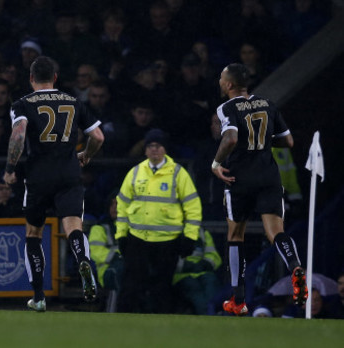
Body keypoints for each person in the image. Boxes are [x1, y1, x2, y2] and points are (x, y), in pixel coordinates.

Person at [3, 56, 105, 312]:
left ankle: (38, 296)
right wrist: (87, 155)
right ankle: (83, 259)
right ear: (55, 78)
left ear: (31, 78)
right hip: (69, 173)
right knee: (73, 226)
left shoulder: (22, 104)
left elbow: (18, 134)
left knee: (34, 233)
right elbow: (98, 136)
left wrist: (9, 168)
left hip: (38, 175)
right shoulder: (74, 102)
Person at [211, 63, 308, 316]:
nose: (220, 82)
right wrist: (263, 142)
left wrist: (216, 163)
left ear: (230, 85)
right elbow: (287, 141)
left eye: (222, 79)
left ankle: (238, 299)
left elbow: (230, 138)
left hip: (238, 178)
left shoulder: (227, 108)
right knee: (276, 231)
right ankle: (295, 266)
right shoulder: (267, 103)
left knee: (235, 235)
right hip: (269, 176)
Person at [115, 128, 201, 314]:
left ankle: (161, 323)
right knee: (132, 285)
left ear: (165, 149)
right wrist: (121, 234)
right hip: (138, 238)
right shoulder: (135, 172)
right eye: (151, 146)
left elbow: (193, 207)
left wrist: (190, 237)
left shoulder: (178, 174)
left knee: (162, 286)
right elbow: (122, 205)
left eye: (158, 145)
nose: (154, 149)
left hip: (167, 240)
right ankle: (125, 321)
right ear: (145, 150)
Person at [172, 227, 222, 315]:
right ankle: (208, 316)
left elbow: (214, 256)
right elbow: (168, 258)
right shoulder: (172, 230)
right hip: (182, 275)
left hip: (203, 272)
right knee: (193, 287)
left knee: (211, 284)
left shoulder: (202, 232)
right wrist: (185, 265)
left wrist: (205, 264)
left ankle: (210, 314)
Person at [89, 190, 123, 313]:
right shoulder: (99, 228)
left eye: (118, 204)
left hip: (128, 267)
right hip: (107, 271)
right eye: (112, 204)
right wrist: (117, 257)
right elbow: (95, 251)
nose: (115, 208)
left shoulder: (133, 228)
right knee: (118, 272)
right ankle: (112, 313)